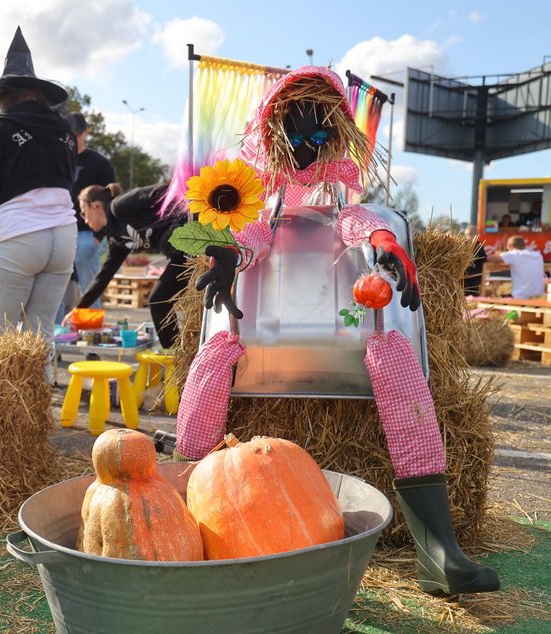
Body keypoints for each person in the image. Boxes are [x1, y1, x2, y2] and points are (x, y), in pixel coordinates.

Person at [174, 66, 498, 596]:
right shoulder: (258, 204)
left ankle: (439, 550)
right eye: (295, 133)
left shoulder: (347, 202)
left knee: (399, 366)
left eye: (319, 133)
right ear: (273, 134)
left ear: (336, 136)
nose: (306, 146)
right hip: (255, 327)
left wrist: (383, 242)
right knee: (212, 360)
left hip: (347, 325)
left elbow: (352, 222)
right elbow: (255, 234)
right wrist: (230, 255)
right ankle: (181, 517)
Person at [0, 26, 77, 341]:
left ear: (4, 94)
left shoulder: (1, 127)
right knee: (40, 336)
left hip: (19, 236)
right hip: (63, 237)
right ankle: (45, 376)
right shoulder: (65, 131)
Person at [64, 183, 188, 349]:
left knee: (158, 299)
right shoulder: (116, 239)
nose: (85, 220)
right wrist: (79, 309)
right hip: (181, 257)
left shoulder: (120, 206)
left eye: (84, 213)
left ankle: (176, 354)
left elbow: (164, 191)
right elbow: (103, 277)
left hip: (191, 241)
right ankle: (177, 354)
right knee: (159, 300)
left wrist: (180, 221)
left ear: (95, 206)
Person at [67, 112, 116, 309]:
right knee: (59, 294)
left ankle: (92, 325)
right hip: (61, 233)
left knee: (89, 291)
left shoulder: (100, 163)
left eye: (77, 134)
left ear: (85, 132)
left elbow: (111, 200)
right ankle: (56, 328)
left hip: (88, 234)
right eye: (69, 135)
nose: (73, 139)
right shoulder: (58, 160)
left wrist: (98, 237)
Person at [462, 226, 488, 296]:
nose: (467, 237)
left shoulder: (479, 246)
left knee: (474, 292)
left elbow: (484, 260)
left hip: (475, 275)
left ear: (476, 235)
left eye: (470, 234)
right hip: (464, 275)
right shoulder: (463, 246)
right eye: (466, 235)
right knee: (464, 292)